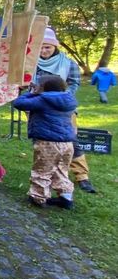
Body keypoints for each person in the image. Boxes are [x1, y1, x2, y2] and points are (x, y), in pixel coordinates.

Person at [35, 28, 96, 193]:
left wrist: (58, 99)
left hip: (63, 108)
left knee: (70, 140)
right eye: (40, 47)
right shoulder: (30, 63)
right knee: (43, 143)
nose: (44, 51)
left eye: (47, 47)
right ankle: (49, 175)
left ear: (55, 46)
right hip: (39, 108)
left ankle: (82, 177)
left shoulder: (68, 63)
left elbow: (74, 83)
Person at [13, 75, 77, 209]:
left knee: (43, 169)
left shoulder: (43, 99)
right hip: (67, 142)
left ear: (42, 88)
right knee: (61, 169)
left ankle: (38, 198)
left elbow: (19, 103)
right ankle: (66, 198)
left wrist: (31, 93)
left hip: (48, 142)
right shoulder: (69, 99)